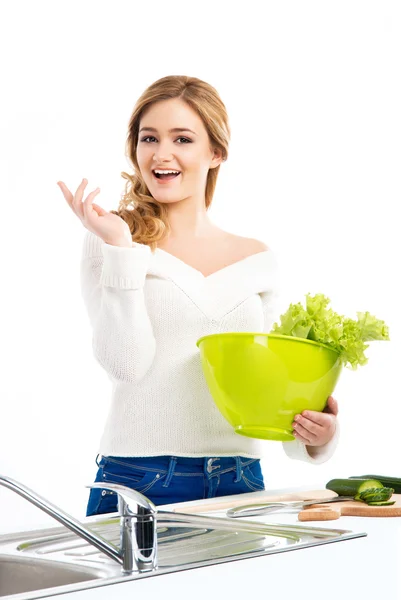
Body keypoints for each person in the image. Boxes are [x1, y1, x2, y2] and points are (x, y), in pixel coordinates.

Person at [57, 75, 339, 517]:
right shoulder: (112, 240)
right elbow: (126, 364)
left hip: (241, 480)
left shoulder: (257, 260)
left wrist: (317, 438)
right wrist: (119, 249)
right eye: (149, 138)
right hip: (138, 481)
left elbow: (264, 391)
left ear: (216, 152)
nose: (161, 153)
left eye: (182, 139)